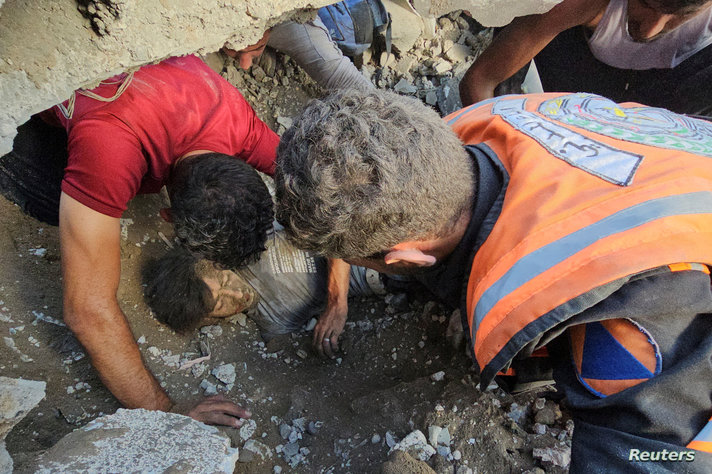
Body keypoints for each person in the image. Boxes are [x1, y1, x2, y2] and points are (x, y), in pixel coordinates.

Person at [274, 88, 712, 471]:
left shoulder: (620, 330)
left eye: (361, 262)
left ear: (405, 255)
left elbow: (656, 457)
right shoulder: (475, 124)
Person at [0, 54, 279, 427]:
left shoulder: (238, 121)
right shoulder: (110, 149)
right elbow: (87, 311)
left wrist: (346, 282)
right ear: (168, 217)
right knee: (54, 202)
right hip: (40, 72)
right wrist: (164, 411)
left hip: (143, 90)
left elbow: (324, 191)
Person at [143, 224, 385, 357]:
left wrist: (337, 302)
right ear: (208, 319)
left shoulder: (258, 242)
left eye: (227, 280)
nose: (238, 295)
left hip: (374, 234)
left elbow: (335, 224)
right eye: (221, 304)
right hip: (389, 277)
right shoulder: (274, 323)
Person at [459, 0, 712, 118]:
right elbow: (480, 81)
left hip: (665, 95)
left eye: (679, 16)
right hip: (581, 68)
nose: (649, 31)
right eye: (645, 3)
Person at [225, 16, 374, 90]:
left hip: (278, 19)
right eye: (238, 52)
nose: (244, 66)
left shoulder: (290, 17)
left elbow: (338, 73)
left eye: (254, 49)